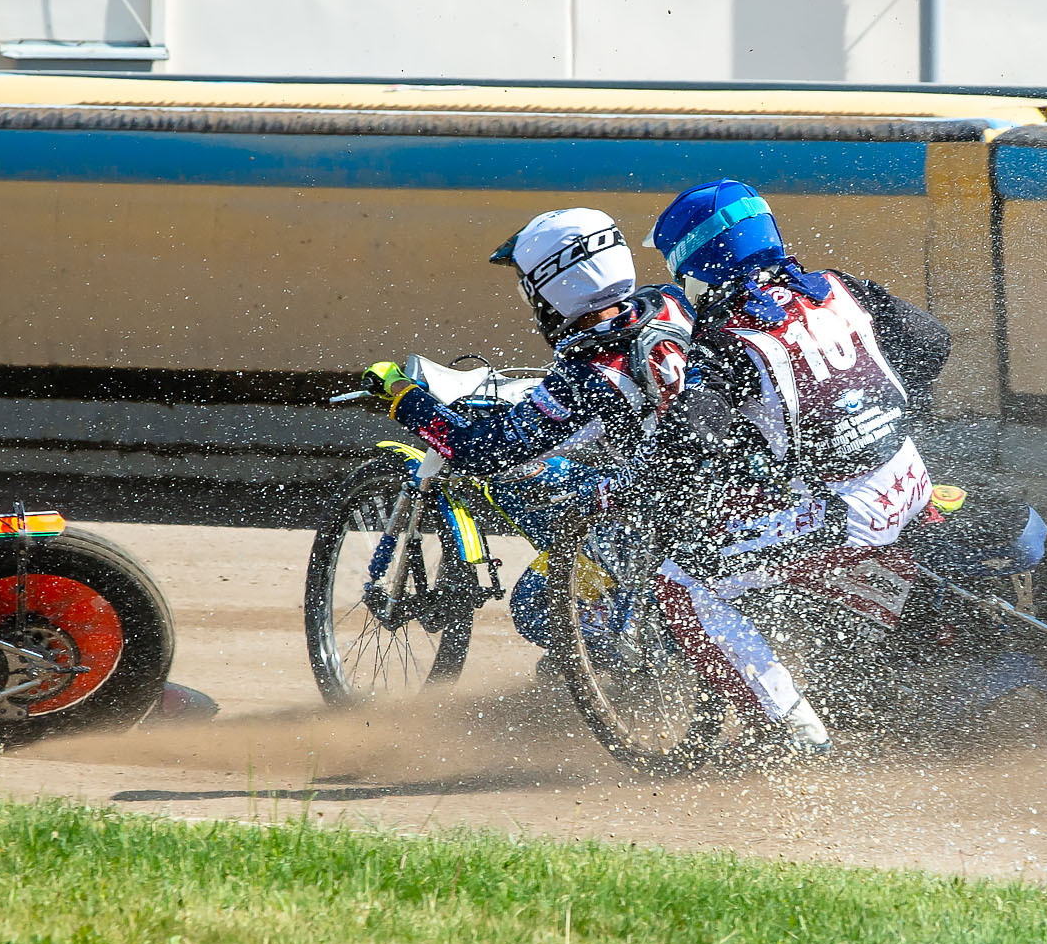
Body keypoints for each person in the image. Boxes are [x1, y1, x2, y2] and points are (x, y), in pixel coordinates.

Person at [624, 179, 941, 754]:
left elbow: (694, 438)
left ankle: (794, 729)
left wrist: (648, 464)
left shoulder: (727, 336)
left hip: (848, 513)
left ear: (699, 261)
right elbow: (931, 342)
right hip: (910, 476)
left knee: (685, 580)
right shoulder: (836, 287)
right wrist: (867, 415)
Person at [367, 207, 694, 645]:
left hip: (650, 513)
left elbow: (478, 450)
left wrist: (404, 397)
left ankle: (630, 667)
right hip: (692, 487)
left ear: (555, 284)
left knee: (534, 604)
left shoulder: (588, 371)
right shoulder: (668, 304)